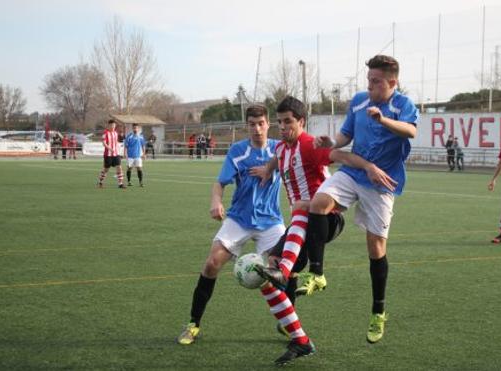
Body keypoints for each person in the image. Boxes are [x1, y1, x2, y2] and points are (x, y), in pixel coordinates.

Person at [176, 104, 315, 366]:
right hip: (239, 219)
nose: (257, 128)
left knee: (287, 270)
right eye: (252, 124)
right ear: (246, 125)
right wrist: (215, 202)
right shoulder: (238, 151)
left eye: (261, 123)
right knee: (211, 263)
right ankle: (193, 324)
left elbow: (302, 153)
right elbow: (220, 183)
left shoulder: (280, 147)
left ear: (268, 124)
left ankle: (288, 324)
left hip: (271, 221)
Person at [305, 55, 419, 344]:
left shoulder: (402, 105)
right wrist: (331, 142)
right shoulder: (358, 100)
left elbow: (411, 131)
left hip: (382, 183)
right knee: (318, 203)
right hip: (354, 172)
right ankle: (317, 273)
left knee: (375, 248)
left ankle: (378, 311)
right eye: (368, 80)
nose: (370, 86)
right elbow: (345, 136)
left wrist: (384, 119)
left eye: (376, 82)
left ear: (392, 82)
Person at [251, 96, 396, 298]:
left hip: (326, 218)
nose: (282, 127)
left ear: (301, 121)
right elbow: (278, 157)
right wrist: (268, 169)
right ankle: (290, 325)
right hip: (300, 222)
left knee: (289, 253)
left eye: (288, 121)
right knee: (274, 259)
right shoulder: (281, 148)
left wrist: (368, 166)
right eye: (280, 122)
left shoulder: (310, 145)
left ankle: (295, 273)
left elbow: (341, 156)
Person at [97, 119, 126, 189]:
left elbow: (116, 143)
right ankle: (100, 181)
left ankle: (120, 184)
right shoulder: (105, 133)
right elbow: (104, 143)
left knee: (119, 167)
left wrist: (118, 150)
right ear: (109, 125)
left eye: (114, 125)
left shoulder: (116, 133)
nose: (113, 126)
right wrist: (110, 148)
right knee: (106, 169)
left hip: (116, 154)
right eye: (111, 125)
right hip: (108, 154)